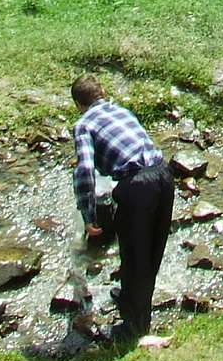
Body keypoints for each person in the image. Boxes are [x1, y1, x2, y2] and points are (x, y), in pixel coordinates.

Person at [71, 73, 174, 342]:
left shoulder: (83, 124)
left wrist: (88, 214)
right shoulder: (120, 110)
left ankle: (134, 329)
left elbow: (84, 169)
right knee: (152, 249)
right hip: (164, 173)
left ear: (79, 104)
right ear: (102, 92)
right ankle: (133, 301)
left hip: (137, 185)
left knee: (134, 255)